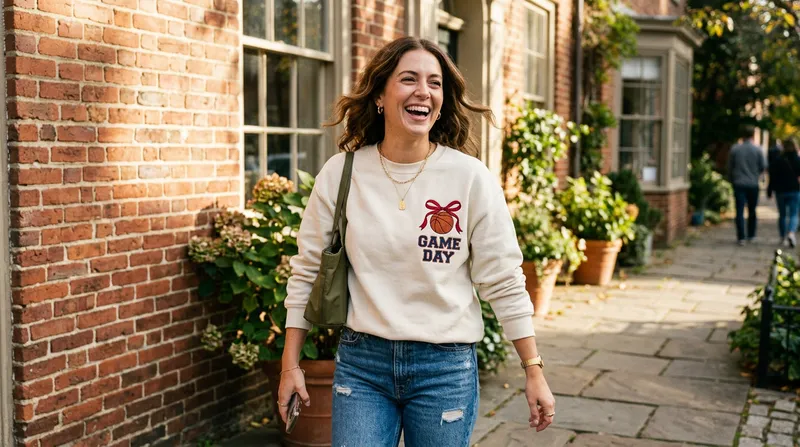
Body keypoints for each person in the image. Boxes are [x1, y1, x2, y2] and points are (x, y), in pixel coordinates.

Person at [276, 36, 555, 445]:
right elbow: (307, 272)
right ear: (379, 96)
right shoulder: (341, 173)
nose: (423, 91)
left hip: (445, 368)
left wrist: (533, 370)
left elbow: (504, 279)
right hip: (362, 364)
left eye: (435, 82)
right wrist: (290, 365)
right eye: (408, 79)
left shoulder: (469, 177)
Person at [727, 125, 767, 245]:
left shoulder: (735, 149)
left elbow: (730, 167)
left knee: (739, 210)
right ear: (753, 135)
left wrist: (731, 179)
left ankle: (741, 237)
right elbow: (763, 166)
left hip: (739, 183)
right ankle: (751, 234)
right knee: (752, 210)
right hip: (753, 184)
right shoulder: (758, 149)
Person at [767, 139, 800, 247]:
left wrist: (769, 190)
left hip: (780, 191)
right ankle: (791, 232)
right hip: (794, 190)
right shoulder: (797, 160)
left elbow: (772, 176)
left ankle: (782, 237)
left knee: (782, 215)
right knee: (794, 214)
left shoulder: (778, 160)